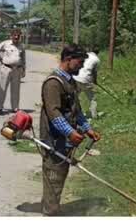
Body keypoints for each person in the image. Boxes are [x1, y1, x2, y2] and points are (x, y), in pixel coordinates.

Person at [40, 44, 101, 216]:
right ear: (68, 59)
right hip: (54, 139)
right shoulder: (53, 83)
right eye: (80, 62)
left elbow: (77, 111)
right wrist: (70, 132)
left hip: (65, 140)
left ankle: (52, 207)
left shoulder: (70, 81)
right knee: (54, 176)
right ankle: (50, 212)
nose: (82, 66)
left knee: (60, 175)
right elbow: (54, 113)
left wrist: (87, 128)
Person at [0, 28, 26, 114]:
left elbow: (23, 58)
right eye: (15, 35)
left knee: (16, 90)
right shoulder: (6, 44)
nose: (16, 37)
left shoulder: (22, 46)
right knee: (2, 88)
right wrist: (1, 60)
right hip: (6, 69)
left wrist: (24, 69)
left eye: (18, 35)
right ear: (11, 36)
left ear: (20, 36)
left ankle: (15, 108)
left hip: (17, 70)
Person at [73, 46, 101, 119]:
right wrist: (95, 81)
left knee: (75, 96)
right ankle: (94, 116)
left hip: (76, 77)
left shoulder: (85, 55)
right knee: (93, 99)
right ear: (98, 53)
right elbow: (94, 72)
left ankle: (73, 113)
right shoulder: (97, 60)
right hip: (86, 80)